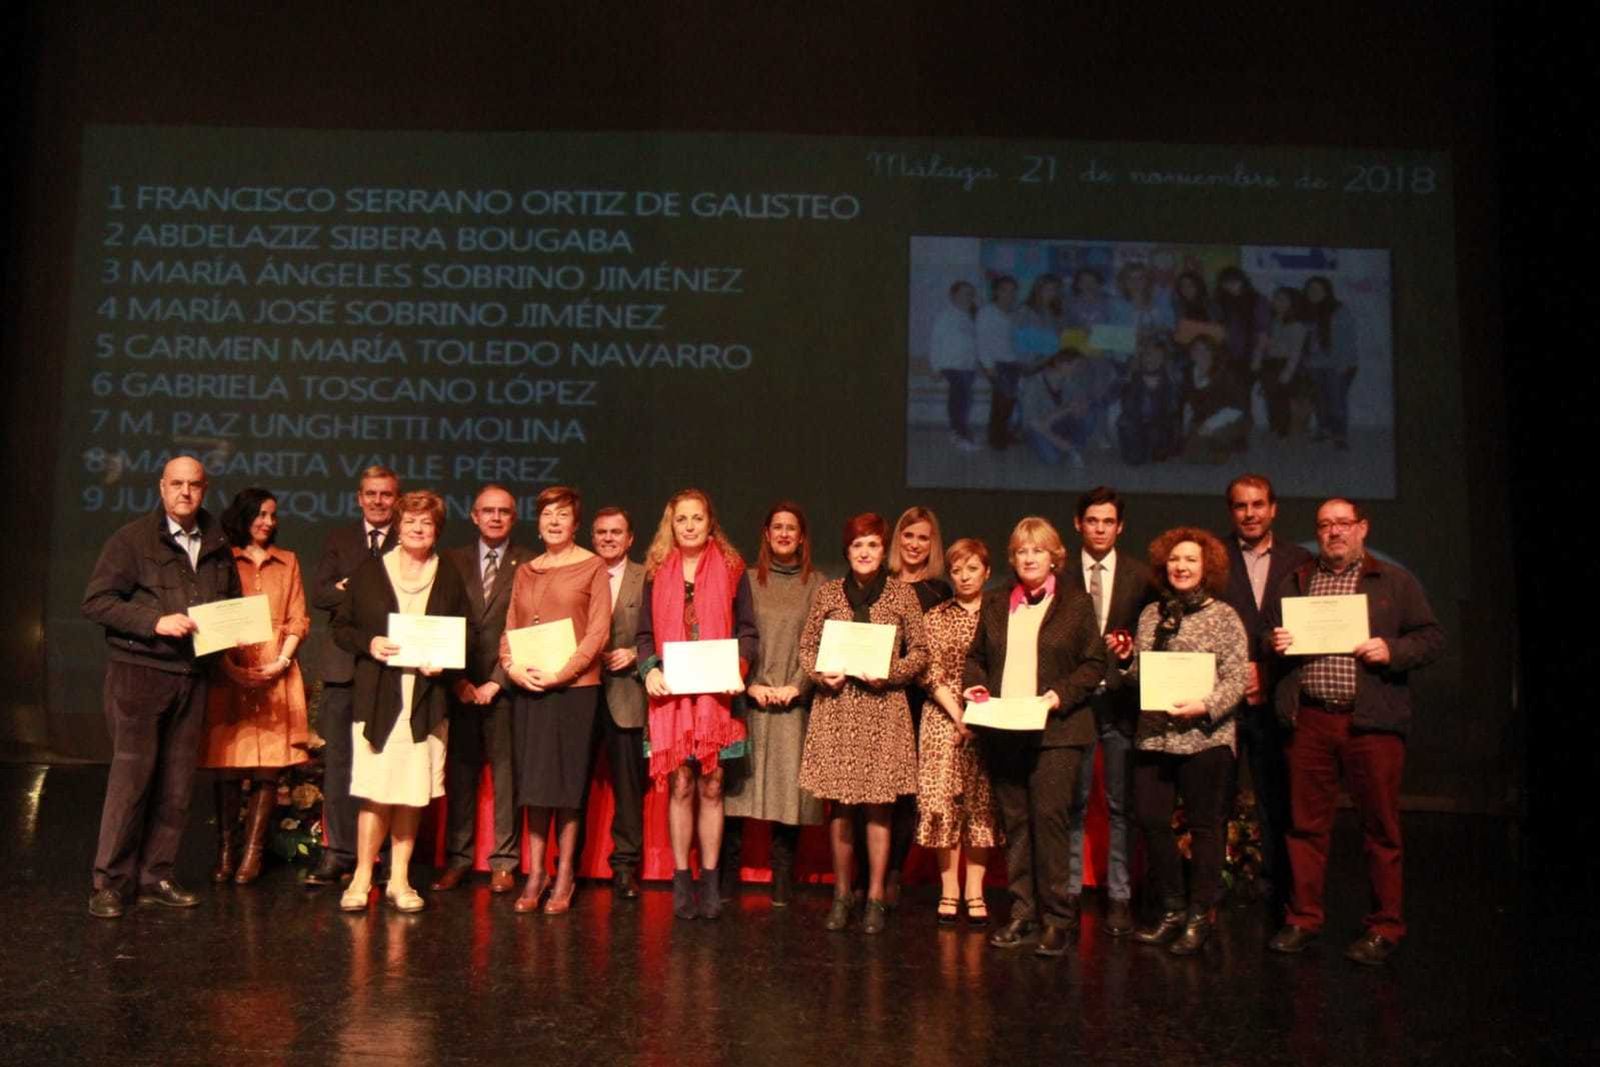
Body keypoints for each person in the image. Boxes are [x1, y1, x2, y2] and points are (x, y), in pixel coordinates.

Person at [1264, 499, 1443, 965]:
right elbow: (1267, 635)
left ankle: (1385, 926)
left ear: (1362, 528)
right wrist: (1274, 642)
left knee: (1380, 828)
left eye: (1343, 524)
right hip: (1311, 720)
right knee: (1305, 826)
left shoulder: (1393, 581)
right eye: (1325, 525)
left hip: (1371, 722)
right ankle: (1303, 919)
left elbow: (1430, 638)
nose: (1334, 533)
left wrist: (1392, 649)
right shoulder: (1297, 580)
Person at [83, 456, 242, 918]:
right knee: (131, 783)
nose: (185, 493)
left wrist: (233, 625)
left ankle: (156, 876)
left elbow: (228, 599)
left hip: (193, 676)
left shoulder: (216, 540)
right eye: (177, 484)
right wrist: (154, 621)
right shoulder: (133, 539)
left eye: (194, 485)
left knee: (176, 786)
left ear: (205, 489)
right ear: (161, 487)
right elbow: (96, 602)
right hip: (140, 673)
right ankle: (110, 883)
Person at [963, 517, 1105, 958]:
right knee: (1017, 823)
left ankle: (1058, 919)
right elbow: (977, 658)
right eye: (1022, 551)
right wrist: (976, 685)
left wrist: (1058, 696)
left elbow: (1094, 665)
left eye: (1038, 551)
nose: (1029, 558)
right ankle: (1023, 913)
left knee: (1049, 822)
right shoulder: (995, 603)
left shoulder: (1076, 605)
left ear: (1054, 557)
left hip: (1058, 731)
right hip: (1006, 728)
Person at [333, 490, 472, 913]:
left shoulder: (448, 574)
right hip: (379, 697)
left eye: (426, 523)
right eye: (410, 521)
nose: (417, 528)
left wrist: (444, 665)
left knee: (412, 793)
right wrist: (370, 642)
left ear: (436, 530)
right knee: (376, 791)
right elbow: (342, 627)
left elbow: (463, 632)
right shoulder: (370, 572)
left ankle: (399, 878)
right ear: (397, 524)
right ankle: (361, 877)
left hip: (426, 699)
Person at [1116, 527, 1248, 955]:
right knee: (1152, 822)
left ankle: (1198, 917)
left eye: (1190, 560)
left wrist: (1204, 705)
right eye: (1175, 560)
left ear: (1206, 567)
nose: (1181, 566)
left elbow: (1236, 680)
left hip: (1205, 738)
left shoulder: (1224, 616)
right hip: (1155, 736)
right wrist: (1123, 663)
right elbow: (1140, 674)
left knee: (1205, 828)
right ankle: (1171, 911)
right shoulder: (1153, 614)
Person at [799, 513, 929, 934]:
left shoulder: (902, 595)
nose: (866, 553)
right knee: (840, 809)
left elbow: (921, 653)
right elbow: (807, 648)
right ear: (847, 551)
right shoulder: (829, 593)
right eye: (858, 546)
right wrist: (822, 673)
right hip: (837, 709)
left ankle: (874, 897)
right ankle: (841, 896)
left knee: (879, 809)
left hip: (883, 708)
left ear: (882, 550)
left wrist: (889, 673)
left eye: (873, 545)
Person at [636, 488, 758, 920]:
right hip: (671, 698)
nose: (689, 526)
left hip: (717, 698)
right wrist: (649, 669)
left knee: (711, 785)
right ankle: (681, 878)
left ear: (710, 523)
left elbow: (748, 630)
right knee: (681, 785)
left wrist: (737, 670)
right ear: (671, 524)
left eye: (697, 518)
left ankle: (710, 880)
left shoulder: (731, 567)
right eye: (681, 519)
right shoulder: (655, 571)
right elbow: (644, 635)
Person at [499, 486, 611, 914]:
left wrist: (560, 674)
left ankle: (564, 875)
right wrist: (512, 668)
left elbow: (598, 633)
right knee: (534, 786)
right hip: (530, 689)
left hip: (574, 691)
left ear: (575, 523)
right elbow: (510, 630)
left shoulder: (592, 566)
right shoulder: (527, 569)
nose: (554, 521)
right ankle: (535, 873)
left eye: (562, 514)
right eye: (547, 514)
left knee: (565, 788)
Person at [199, 487, 312, 886]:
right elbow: (212, 616)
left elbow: (299, 618)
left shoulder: (289, 561)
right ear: (243, 516)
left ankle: (253, 854)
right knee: (229, 765)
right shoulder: (222, 558)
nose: (267, 522)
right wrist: (229, 666)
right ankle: (226, 851)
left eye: (272, 515)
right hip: (230, 669)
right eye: (260, 514)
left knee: (268, 768)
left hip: (275, 669)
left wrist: (282, 661)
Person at [724, 502, 827, 906]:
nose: (784, 534)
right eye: (777, 527)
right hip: (747, 698)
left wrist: (798, 686)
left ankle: (783, 878)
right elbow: (732, 634)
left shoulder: (817, 584)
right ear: (766, 534)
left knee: (789, 793)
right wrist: (746, 685)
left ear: (801, 537)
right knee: (737, 789)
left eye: (792, 529)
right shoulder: (745, 580)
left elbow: (820, 641)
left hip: (792, 703)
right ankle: (729, 878)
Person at [1218, 474, 1312, 917]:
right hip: (1222, 705)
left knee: (1279, 804)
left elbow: (1307, 632)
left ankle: (1280, 901)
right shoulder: (1213, 559)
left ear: (1273, 508)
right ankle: (1210, 898)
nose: (1250, 513)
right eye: (1241, 506)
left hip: (1276, 703)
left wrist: (1267, 671)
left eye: (1258, 505)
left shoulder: (1300, 561)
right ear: (1231, 511)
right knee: (1213, 804)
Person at [1064, 488, 1154, 937]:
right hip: (1074, 704)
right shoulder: (1059, 574)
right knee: (1074, 802)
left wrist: (1131, 651)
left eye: (1108, 521)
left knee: (1121, 803)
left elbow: (1151, 635)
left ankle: (1119, 894)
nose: (1100, 528)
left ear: (1120, 527)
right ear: (1078, 524)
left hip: (1120, 702)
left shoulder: (1141, 577)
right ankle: (1070, 891)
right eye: (1092, 520)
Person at [433, 485, 532, 894]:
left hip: (504, 686)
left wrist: (497, 679)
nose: (495, 517)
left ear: (513, 517)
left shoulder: (528, 563)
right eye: (487, 511)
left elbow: (528, 624)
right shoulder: (450, 560)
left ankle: (504, 862)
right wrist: (457, 680)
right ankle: (458, 859)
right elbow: (440, 621)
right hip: (459, 685)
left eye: (503, 512)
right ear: (473, 516)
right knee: (460, 774)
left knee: (507, 776)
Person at [307, 466, 400, 886]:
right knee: (340, 763)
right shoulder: (340, 539)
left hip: (390, 669)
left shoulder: (410, 539)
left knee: (385, 762)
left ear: (396, 499)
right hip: (344, 668)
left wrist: (353, 591)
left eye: (386, 494)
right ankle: (338, 852)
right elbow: (321, 593)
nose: (378, 501)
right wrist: (357, 593)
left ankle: (380, 856)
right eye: (371, 494)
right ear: (359, 498)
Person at [915, 537, 1001, 925]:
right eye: (957, 570)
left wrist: (978, 716)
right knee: (942, 804)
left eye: (972, 568)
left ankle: (975, 890)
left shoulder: (1001, 615)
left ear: (987, 571)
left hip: (990, 719)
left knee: (981, 806)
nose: (964, 577)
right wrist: (957, 715)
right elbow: (928, 672)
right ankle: (949, 889)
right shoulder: (936, 616)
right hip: (941, 718)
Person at [591, 506, 649, 899]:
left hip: (627, 692)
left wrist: (635, 653)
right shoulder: (579, 573)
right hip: (579, 692)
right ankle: (565, 865)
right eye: (601, 533)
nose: (608, 538)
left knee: (628, 788)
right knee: (571, 785)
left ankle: (625, 866)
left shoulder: (648, 577)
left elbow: (664, 630)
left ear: (630, 539)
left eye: (616, 532)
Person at [1301, 276, 1359, 450]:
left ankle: (1340, 436)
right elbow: (1305, 341)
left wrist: (1343, 365)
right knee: (1320, 401)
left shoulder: (1339, 310)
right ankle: (1323, 430)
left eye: (1318, 289)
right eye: (1310, 289)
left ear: (1327, 291)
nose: (1314, 293)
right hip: (1315, 365)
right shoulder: (1307, 312)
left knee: (1336, 402)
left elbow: (1348, 340)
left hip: (1338, 365)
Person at [928, 280, 981, 450]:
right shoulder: (945, 316)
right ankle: (960, 435)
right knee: (961, 399)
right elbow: (935, 343)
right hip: (951, 365)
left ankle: (957, 432)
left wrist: (976, 364)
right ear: (953, 295)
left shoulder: (970, 317)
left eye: (971, 294)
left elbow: (973, 344)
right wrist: (935, 368)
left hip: (968, 367)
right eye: (965, 293)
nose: (968, 297)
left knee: (964, 400)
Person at [1182, 335, 1249, 463]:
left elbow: (1237, 407)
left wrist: (1210, 424)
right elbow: (1188, 404)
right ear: (1191, 354)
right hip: (1202, 418)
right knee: (1190, 456)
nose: (1201, 354)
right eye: (1197, 350)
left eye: (1206, 350)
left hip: (1229, 417)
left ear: (1213, 352)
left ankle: (1232, 442)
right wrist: (1186, 427)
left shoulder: (1226, 374)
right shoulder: (1188, 374)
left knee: (1214, 439)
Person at [1117, 336, 1182, 466]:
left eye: (1158, 356)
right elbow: (1128, 408)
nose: (1153, 359)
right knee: (1134, 460)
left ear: (1163, 359)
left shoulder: (1170, 379)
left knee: (1159, 456)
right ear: (1142, 357)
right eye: (1149, 355)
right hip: (1136, 423)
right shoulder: (1131, 377)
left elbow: (1172, 409)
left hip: (1159, 424)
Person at [1253, 287, 1308, 438]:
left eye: (1282, 299)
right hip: (1270, 364)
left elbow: (1295, 352)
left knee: (1282, 399)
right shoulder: (1273, 321)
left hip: (1284, 365)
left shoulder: (1297, 325)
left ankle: (1283, 430)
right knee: (1271, 399)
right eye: (1276, 298)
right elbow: (1264, 343)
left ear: (1292, 303)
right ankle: (1275, 427)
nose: (1277, 302)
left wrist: (1287, 373)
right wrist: (1257, 359)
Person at [975, 275, 1020, 450]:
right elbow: (982, 341)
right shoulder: (987, 312)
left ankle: (1000, 435)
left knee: (1006, 402)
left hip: (1013, 363)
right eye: (1005, 290)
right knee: (1003, 402)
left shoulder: (1013, 312)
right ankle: (997, 439)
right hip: (997, 364)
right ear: (996, 291)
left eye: (1012, 291)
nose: (1009, 294)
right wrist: (988, 366)